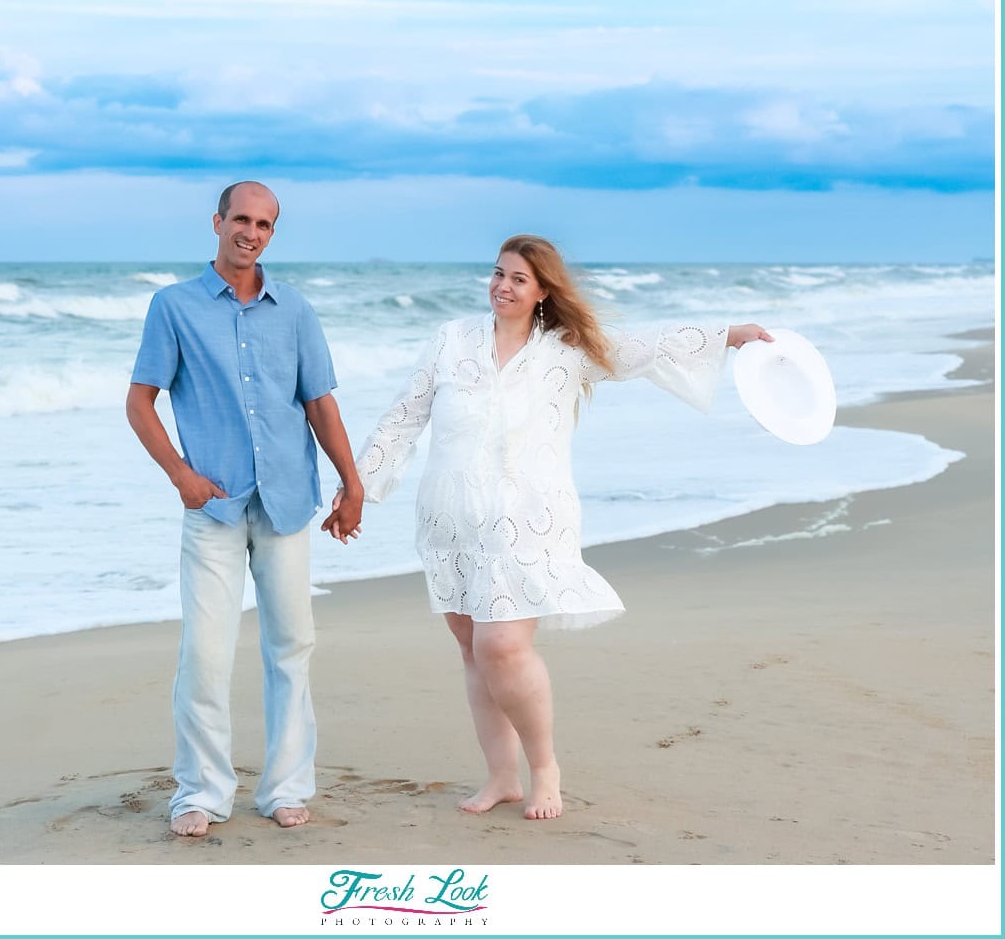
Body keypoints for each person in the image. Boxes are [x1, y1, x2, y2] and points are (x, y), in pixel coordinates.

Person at [324, 233, 770, 822]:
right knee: (473, 652)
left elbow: (645, 346)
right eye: (498, 274)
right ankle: (501, 777)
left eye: (518, 280)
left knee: (502, 645)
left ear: (542, 293)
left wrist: (730, 334)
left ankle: (544, 768)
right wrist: (358, 487)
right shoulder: (451, 340)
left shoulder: (568, 348)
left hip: (529, 519)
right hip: (450, 518)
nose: (502, 287)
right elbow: (405, 417)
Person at [127, 181, 364, 836]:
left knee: (292, 646)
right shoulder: (173, 307)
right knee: (205, 654)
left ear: (271, 232)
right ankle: (200, 792)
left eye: (263, 224)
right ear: (217, 222)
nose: (250, 232)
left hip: (287, 502)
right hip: (215, 508)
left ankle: (285, 787)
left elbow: (319, 404)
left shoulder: (296, 311)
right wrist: (180, 474)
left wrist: (353, 482)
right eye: (241, 219)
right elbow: (140, 402)